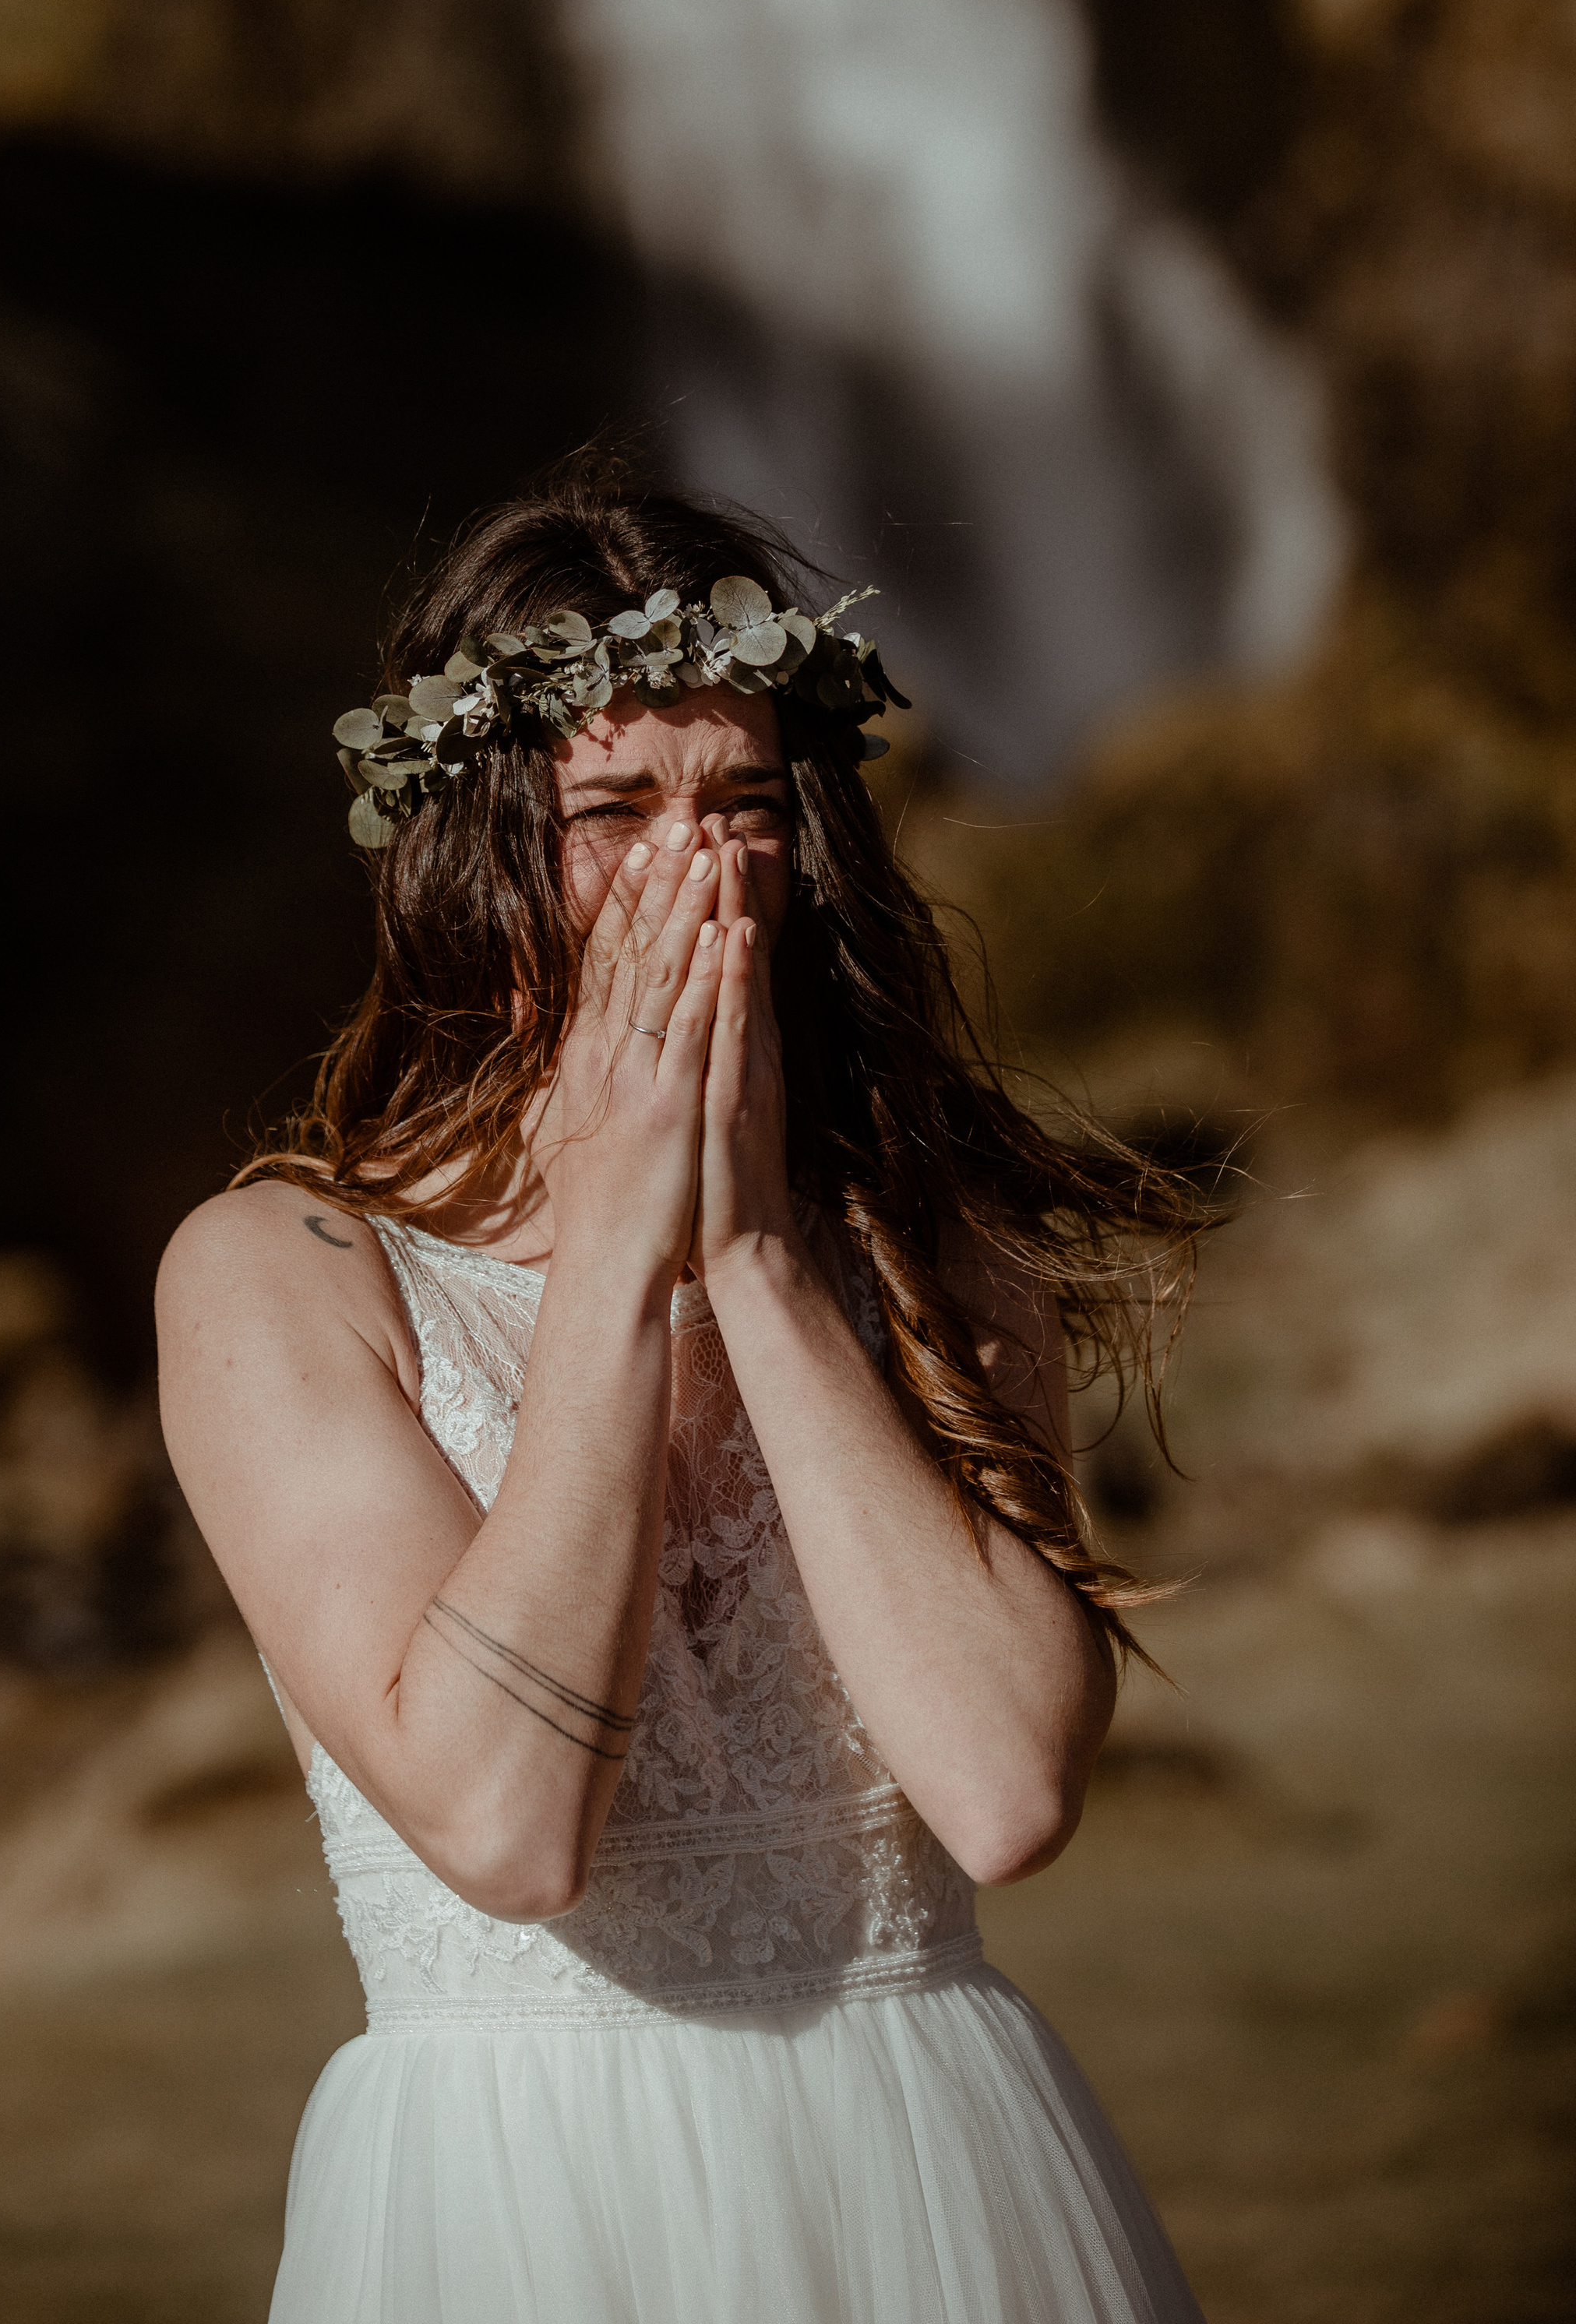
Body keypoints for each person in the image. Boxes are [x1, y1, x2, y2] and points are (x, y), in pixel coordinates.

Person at [158, 464, 1206, 2323]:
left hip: (934, 2173)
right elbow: (500, 1829)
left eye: (739, 802)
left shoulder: (927, 1255)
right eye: (610, 809)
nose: (691, 869)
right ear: (464, 846)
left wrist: (752, 1260)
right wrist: (609, 1260)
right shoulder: (280, 1279)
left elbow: (1000, 1795)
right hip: (525, 2199)